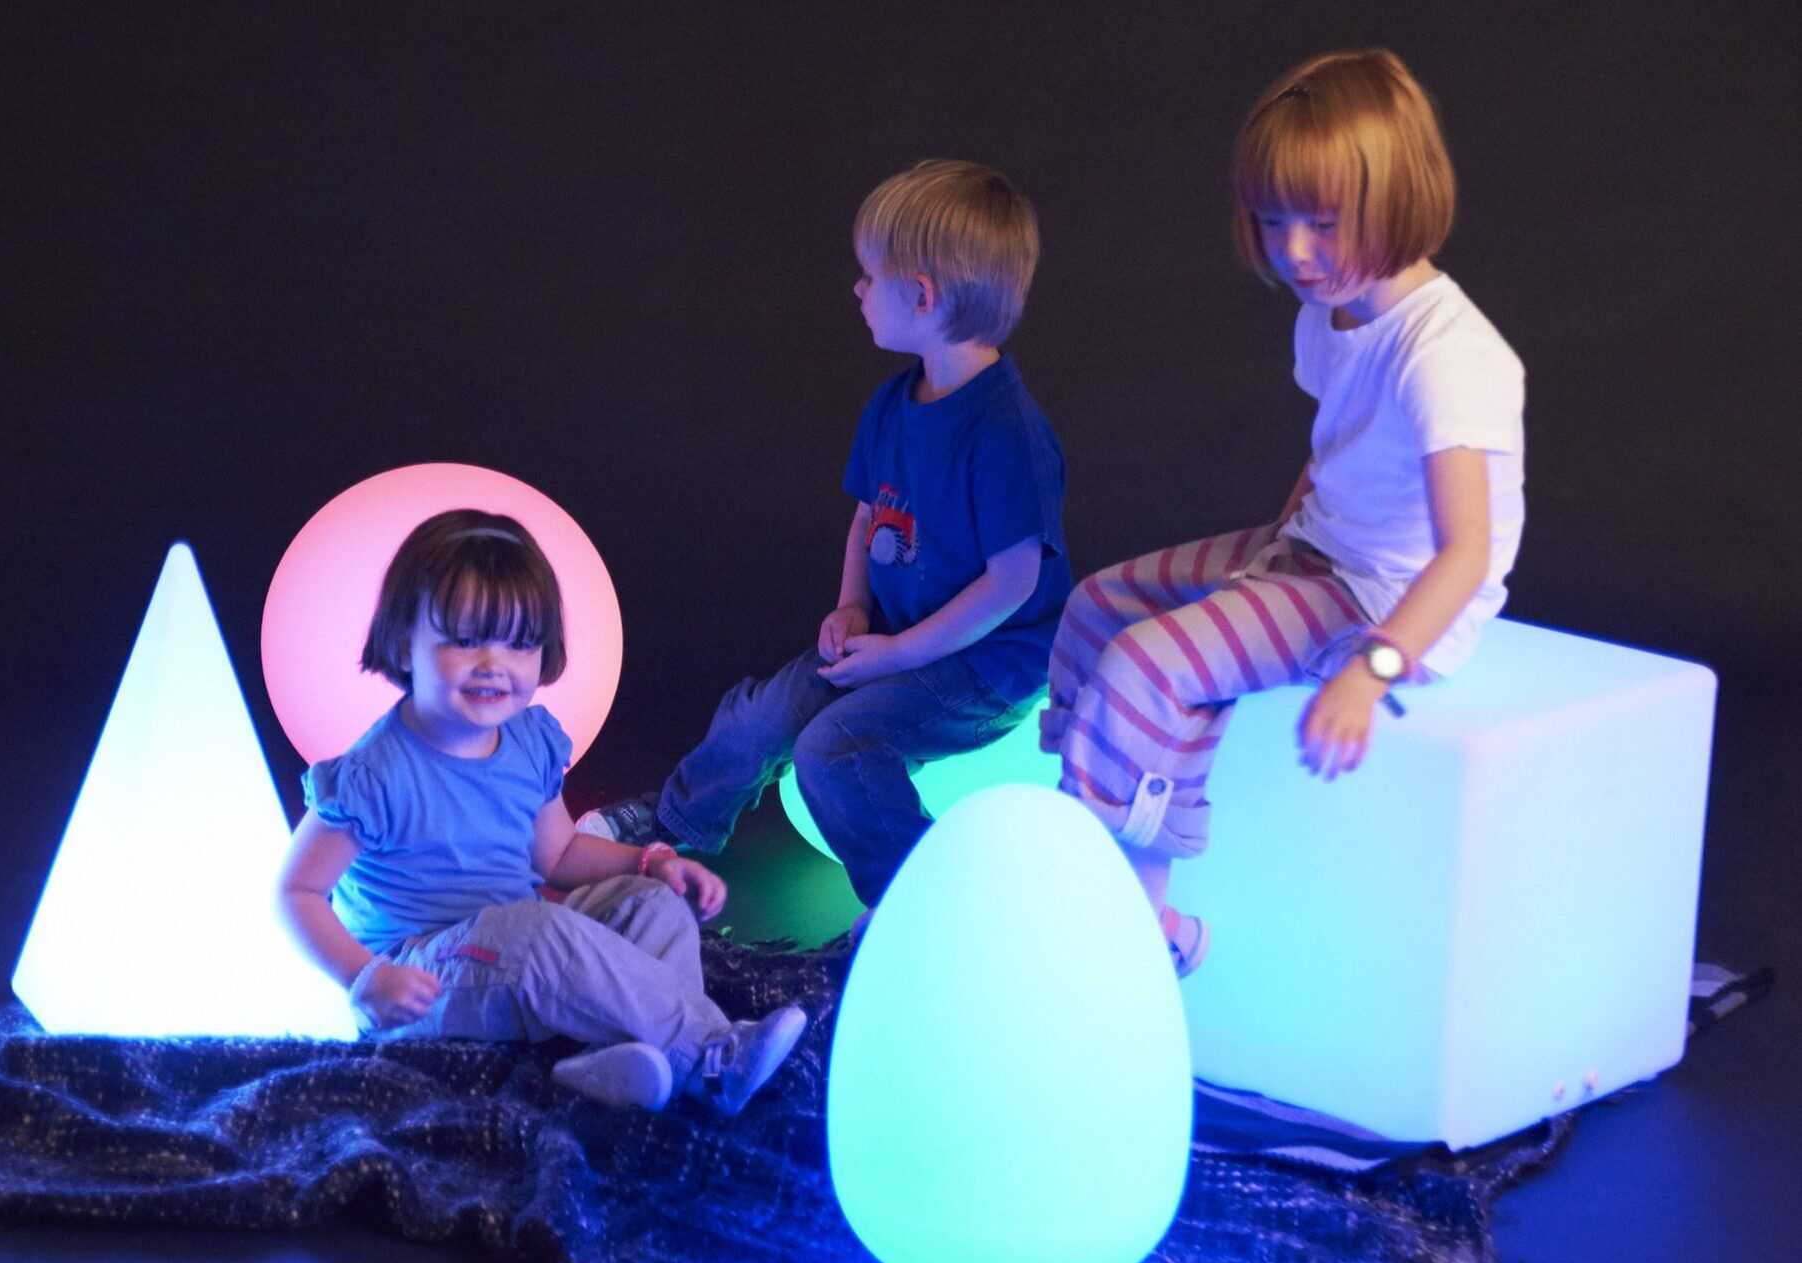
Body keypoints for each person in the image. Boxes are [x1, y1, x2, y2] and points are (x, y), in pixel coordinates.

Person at [1045, 48, 1525, 977]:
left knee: (1149, 665)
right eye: (1274, 222)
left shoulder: (1444, 358)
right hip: (1317, 549)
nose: (1294, 252)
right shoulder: (1333, 311)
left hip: (1385, 599)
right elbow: (1336, 448)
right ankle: (1085, 812)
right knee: (1098, 603)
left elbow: (1465, 554)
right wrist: (1270, 550)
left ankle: (1142, 922)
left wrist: (1372, 671)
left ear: (1395, 202)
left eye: (1323, 224)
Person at [580, 159, 1072, 926]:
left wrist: (900, 654)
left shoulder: (1006, 433)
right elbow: (868, 520)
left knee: (832, 750)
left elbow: (1012, 584)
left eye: (870, 276)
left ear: (923, 296)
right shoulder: (893, 404)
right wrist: (852, 606)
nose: (856, 289)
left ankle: (919, 906)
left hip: (984, 667)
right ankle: (674, 824)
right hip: (895, 637)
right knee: (763, 715)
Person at [276, 508, 806, 1113]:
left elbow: (559, 854)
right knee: (540, 933)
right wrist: (363, 977)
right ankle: (711, 1058)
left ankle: (626, 1060)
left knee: (653, 905)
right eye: (465, 640)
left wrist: (650, 861)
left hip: (510, 951)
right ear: (403, 644)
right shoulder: (376, 774)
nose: (493, 664)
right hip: (423, 980)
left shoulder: (528, 741)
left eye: (519, 643)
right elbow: (297, 891)